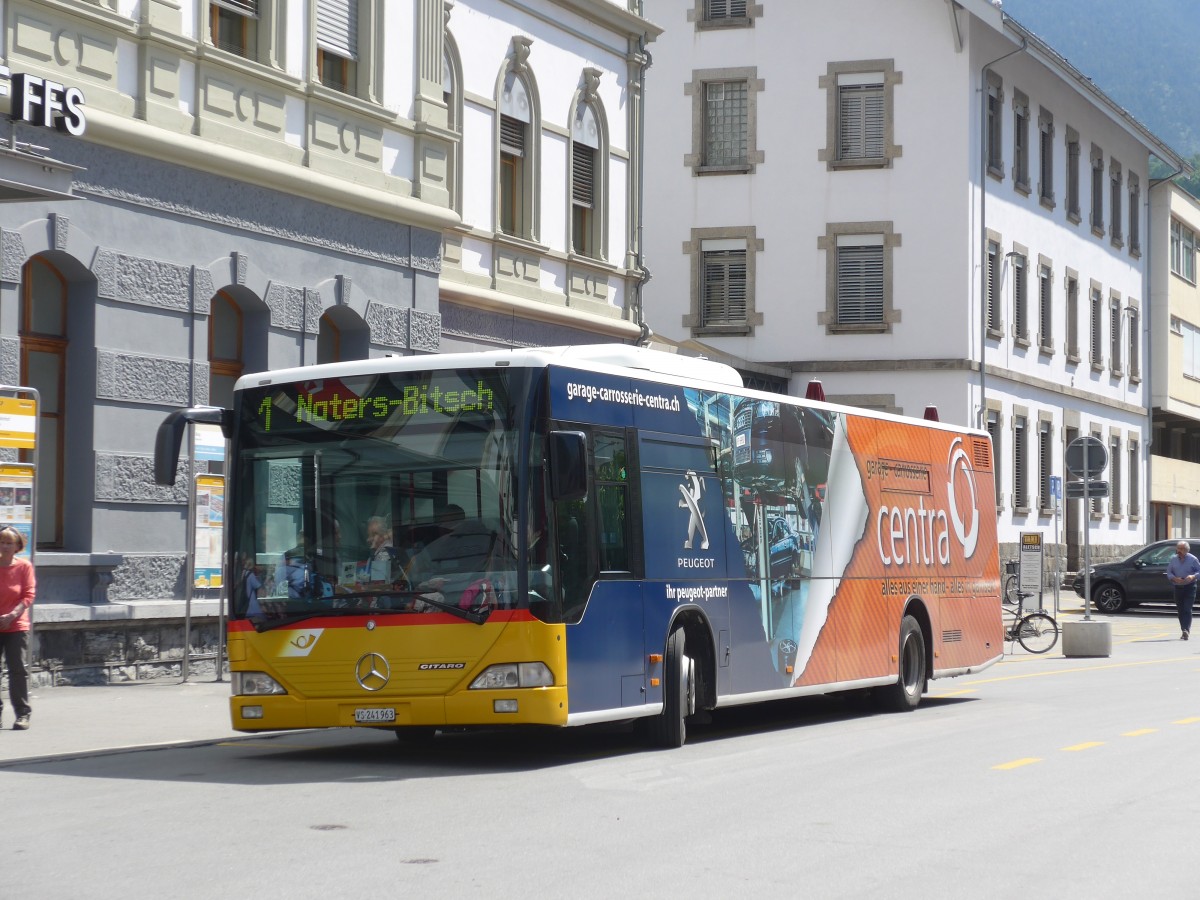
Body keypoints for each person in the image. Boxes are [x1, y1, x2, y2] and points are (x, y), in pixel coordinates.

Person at [0, 526, 36, 730]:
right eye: (2, 542)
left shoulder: (24, 566)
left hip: (16, 626)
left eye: (9, 543)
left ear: (17, 546)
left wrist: (12, 615)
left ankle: (22, 714)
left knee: (17, 670)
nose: (5, 546)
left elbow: (28, 595)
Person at [1165, 540, 1200, 640]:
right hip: (1178, 587)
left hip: (1190, 587)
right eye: (1178, 548)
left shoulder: (1193, 559)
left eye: (1182, 549)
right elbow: (1169, 572)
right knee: (1180, 610)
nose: (1179, 551)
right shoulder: (1173, 559)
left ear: (1187, 550)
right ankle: (1183, 629)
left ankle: (1186, 630)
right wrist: (1174, 578)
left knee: (1187, 609)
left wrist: (1193, 576)